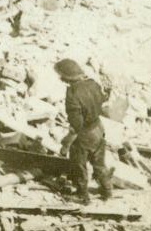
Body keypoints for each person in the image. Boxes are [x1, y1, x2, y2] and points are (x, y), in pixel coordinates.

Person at [54, 59, 113, 205]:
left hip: (84, 134)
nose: (60, 78)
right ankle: (107, 190)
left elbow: (76, 124)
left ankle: (82, 195)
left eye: (60, 75)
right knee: (99, 163)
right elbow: (103, 100)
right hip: (98, 128)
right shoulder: (93, 83)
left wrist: (66, 143)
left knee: (78, 165)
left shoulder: (72, 93)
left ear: (66, 76)